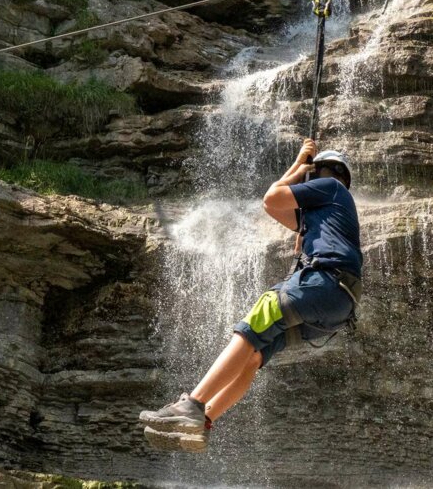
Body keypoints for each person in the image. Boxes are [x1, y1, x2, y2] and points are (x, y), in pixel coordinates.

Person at [138, 138, 363, 452]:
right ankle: (203, 423)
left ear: (320, 173)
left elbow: (272, 198)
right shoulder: (328, 214)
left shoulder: (332, 189)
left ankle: (193, 405)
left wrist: (299, 165)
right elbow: (278, 210)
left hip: (325, 283)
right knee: (254, 356)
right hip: (337, 308)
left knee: (257, 319)